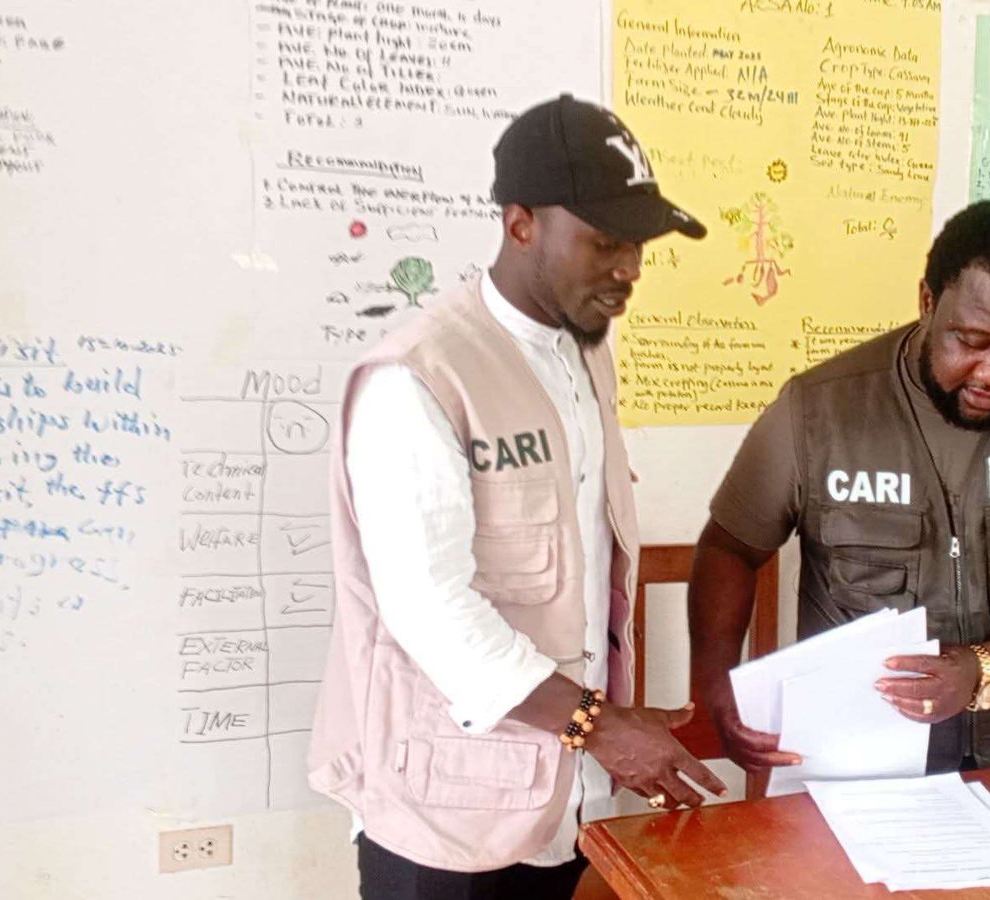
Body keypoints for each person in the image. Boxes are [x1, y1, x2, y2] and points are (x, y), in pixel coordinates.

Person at [306, 94, 725, 900]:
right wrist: (599, 725)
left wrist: (599, 731)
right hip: (446, 815)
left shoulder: (583, 353)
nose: (630, 269)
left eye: (639, 245)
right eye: (605, 242)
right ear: (521, 224)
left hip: (557, 793)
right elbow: (428, 607)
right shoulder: (417, 377)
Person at [689, 200, 990, 779]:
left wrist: (981, 667)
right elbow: (730, 549)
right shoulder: (820, 410)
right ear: (927, 302)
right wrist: (715, 685)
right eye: (972, 340)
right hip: (857, 756)